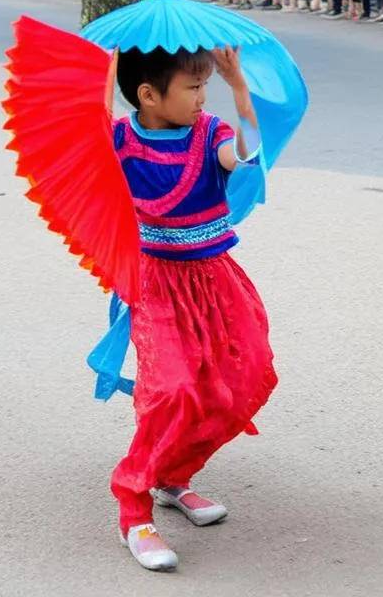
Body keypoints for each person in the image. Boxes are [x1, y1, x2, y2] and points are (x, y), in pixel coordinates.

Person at [111, 44, 276, 570]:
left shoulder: (212, 133)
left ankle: (173, 476)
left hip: (214, 279)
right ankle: (134, 510)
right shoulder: (119, 140)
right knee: (172, 390)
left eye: (207, 86)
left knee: (238, 380)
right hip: (156, 283)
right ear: (148, 95)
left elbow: (245, 158)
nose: (204, 98)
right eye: (194, 87)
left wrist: (240, 89)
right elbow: (90, 165)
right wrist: (98, 76)